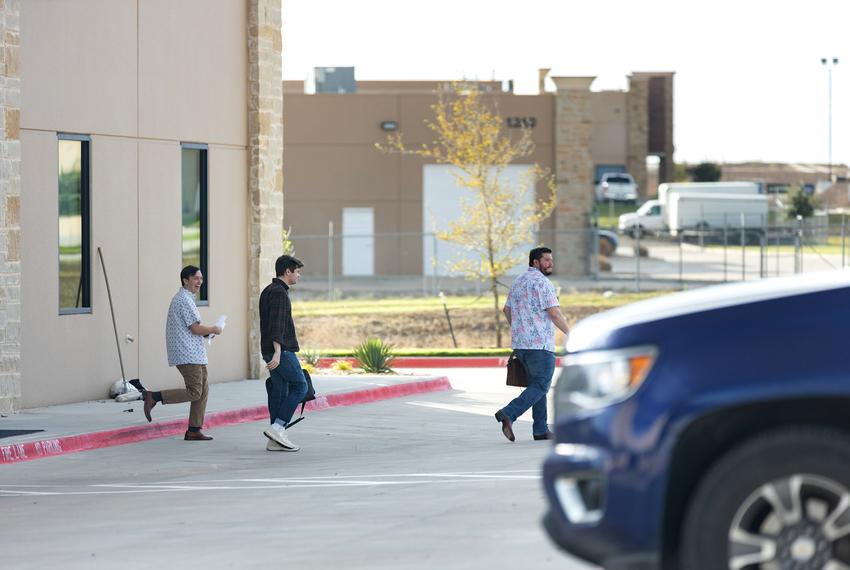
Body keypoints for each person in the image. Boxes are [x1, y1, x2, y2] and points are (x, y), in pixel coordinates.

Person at [495, 247, 569, 442]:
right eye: (546, 260)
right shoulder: (543, 283)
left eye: (551, 260)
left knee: (537, 384)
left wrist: (519, 330)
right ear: (535, 262)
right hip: (540, 345)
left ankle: (540, 429)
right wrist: (571, 333)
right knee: (541, 385)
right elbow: (554, 313)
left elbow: (506, 309)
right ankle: (509, 413)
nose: (550, 263)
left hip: (521, 345)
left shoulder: (518, 282)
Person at [143, 266, 222, 441]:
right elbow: (194, 328)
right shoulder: (183, 300)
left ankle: (194, 429)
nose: (199, 282)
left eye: (201, 278)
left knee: (203, 389)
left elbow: (192, 328)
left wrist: (207, 332)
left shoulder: (187, 298)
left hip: (194, 352)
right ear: (185, 280)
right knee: (195, 391)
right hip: (187, 353)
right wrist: (214, 329)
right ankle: (153, 397)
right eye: (196, 278)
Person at [259, 254, 308, 452]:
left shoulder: (268, 290)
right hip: (281, 351)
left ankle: (274, 439)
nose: (298, 276)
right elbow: (276, 326)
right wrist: (278, 352)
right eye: (297, 272)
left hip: (270, 350)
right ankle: (278, 427)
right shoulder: (279, 293)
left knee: (280, 391)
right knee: (300, 386)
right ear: (287, 271)